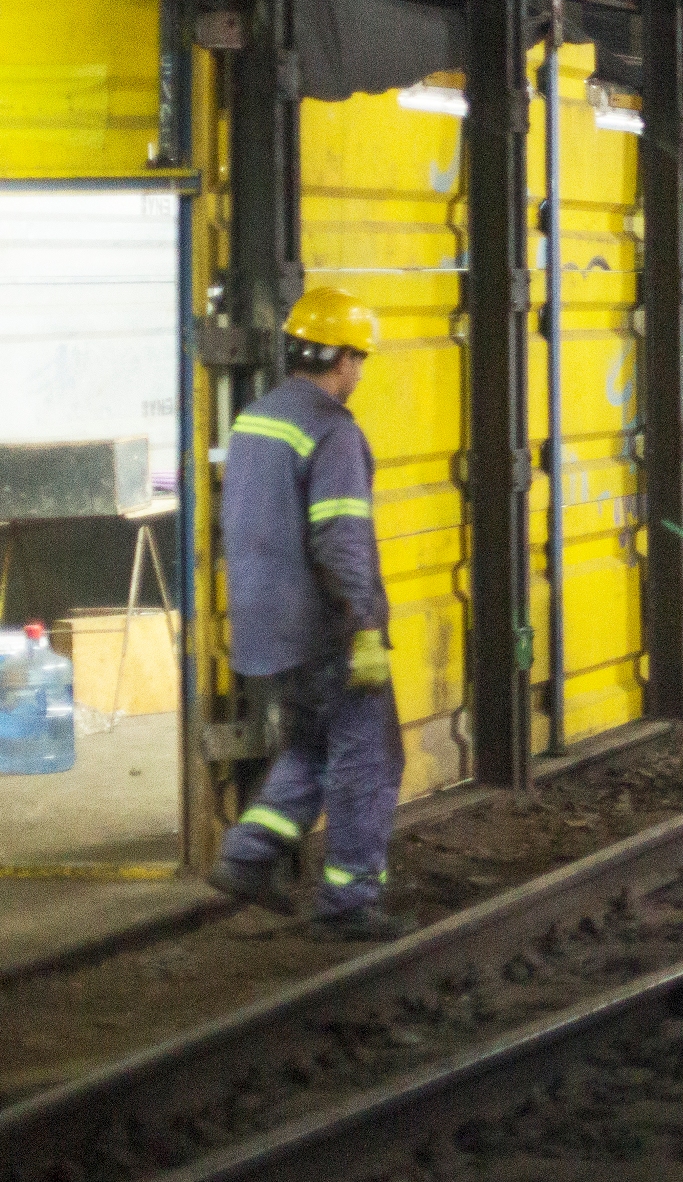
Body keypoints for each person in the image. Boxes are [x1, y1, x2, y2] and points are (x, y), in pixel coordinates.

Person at [206, 287, 410, 941]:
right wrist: (366, 627)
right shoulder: (331, 429)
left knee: (311, 748)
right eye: (358, 358)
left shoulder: (255, 418)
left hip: (264, 626)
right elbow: (340, 538)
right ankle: (350, 901)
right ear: (341, 358)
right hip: (325, 626)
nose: (358, 371)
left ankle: (247, 856)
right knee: (368, 757)